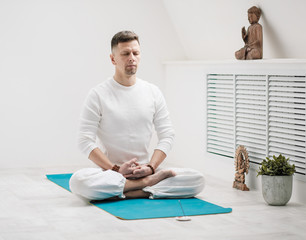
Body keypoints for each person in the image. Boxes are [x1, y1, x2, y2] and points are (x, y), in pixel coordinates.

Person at [69, 31, 205, 200]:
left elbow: (167, 135)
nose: (131, 58)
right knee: (78, 181)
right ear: (113, 59)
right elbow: (84, 141)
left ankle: (134, 187)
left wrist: (151, 167)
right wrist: (116, 169)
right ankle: (147, 186)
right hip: (111, 174)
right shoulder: (98, 94)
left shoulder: (153, 92)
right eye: (125, 54)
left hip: (145, 169)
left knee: (197, 179)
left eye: (136, 53)